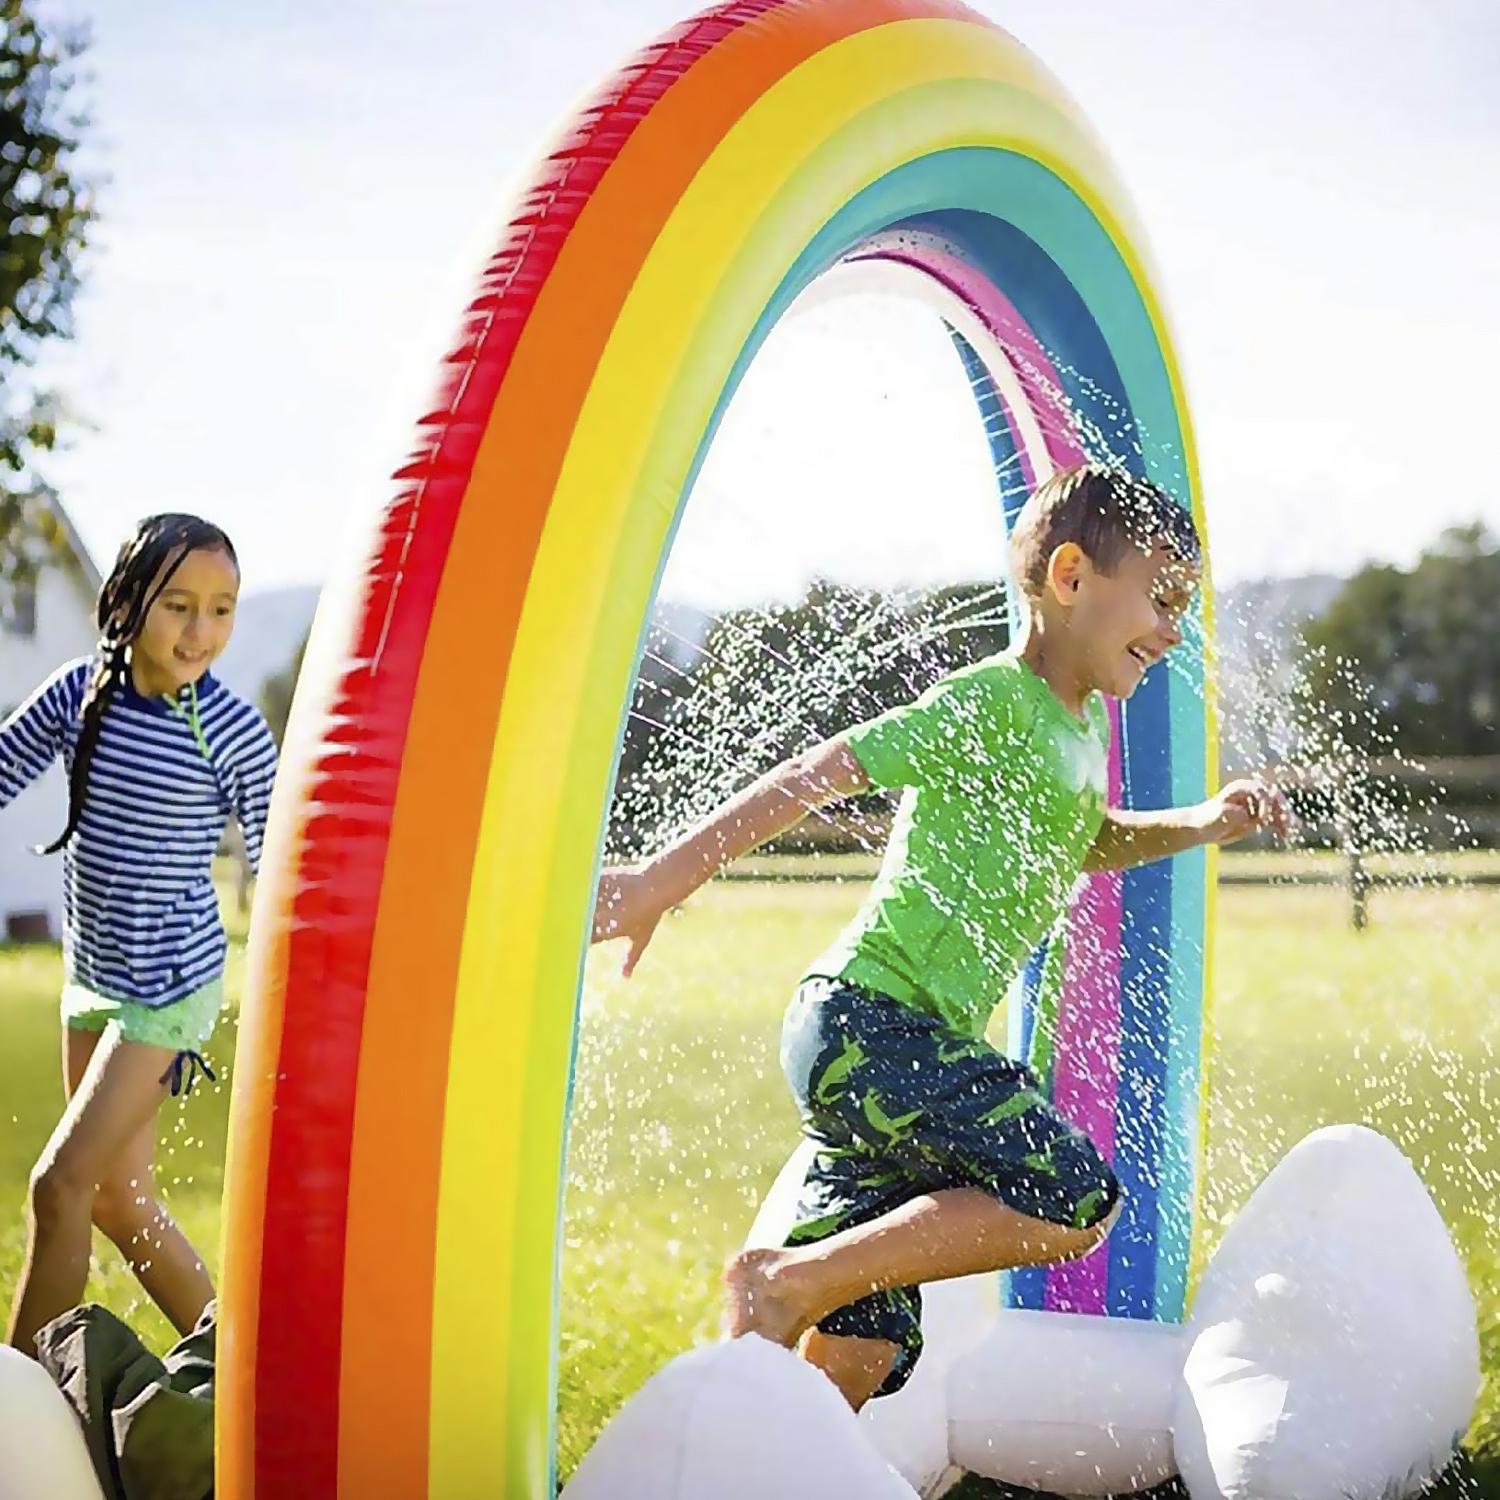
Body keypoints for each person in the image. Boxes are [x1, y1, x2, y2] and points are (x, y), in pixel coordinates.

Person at [592, 464, 1296, 1410]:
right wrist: (657, 883)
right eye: (1159, 599)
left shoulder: (1079, 731)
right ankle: (787, 1282)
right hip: (872, 1024)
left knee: (862, 1347)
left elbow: (1090, 841)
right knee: (1075, 1197)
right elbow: (823, 769)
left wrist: (1207, 821)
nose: (1173, 629)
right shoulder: (994, 703)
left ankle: (744, 1431)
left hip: (889, 1047)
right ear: (1073, 578)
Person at [2, 514, 278, 1356]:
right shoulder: (83, 695)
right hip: (92, 976)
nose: (202, 632)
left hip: (170, 989)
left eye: (222, 610)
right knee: (119, 1200)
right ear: (128, 601)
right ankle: (242, 1370)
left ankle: (13, 1410)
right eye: (180, 606)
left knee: (60, 1187)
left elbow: (282, 872)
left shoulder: (227, 729)